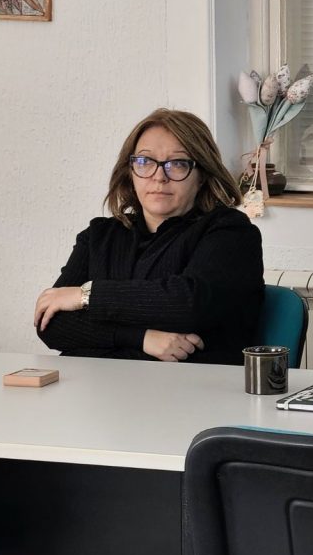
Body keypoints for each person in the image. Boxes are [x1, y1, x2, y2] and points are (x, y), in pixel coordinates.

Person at [34, 108, 264, 365]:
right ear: (130, 172)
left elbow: (188, 303)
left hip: (190, 387)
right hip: (98, 385)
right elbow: (51, 323)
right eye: (145, 162)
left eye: (178, 163)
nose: (159, 176)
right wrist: (141, 338)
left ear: (202, 176)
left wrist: (85, 296)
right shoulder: (99, 235)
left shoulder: (230, 232)